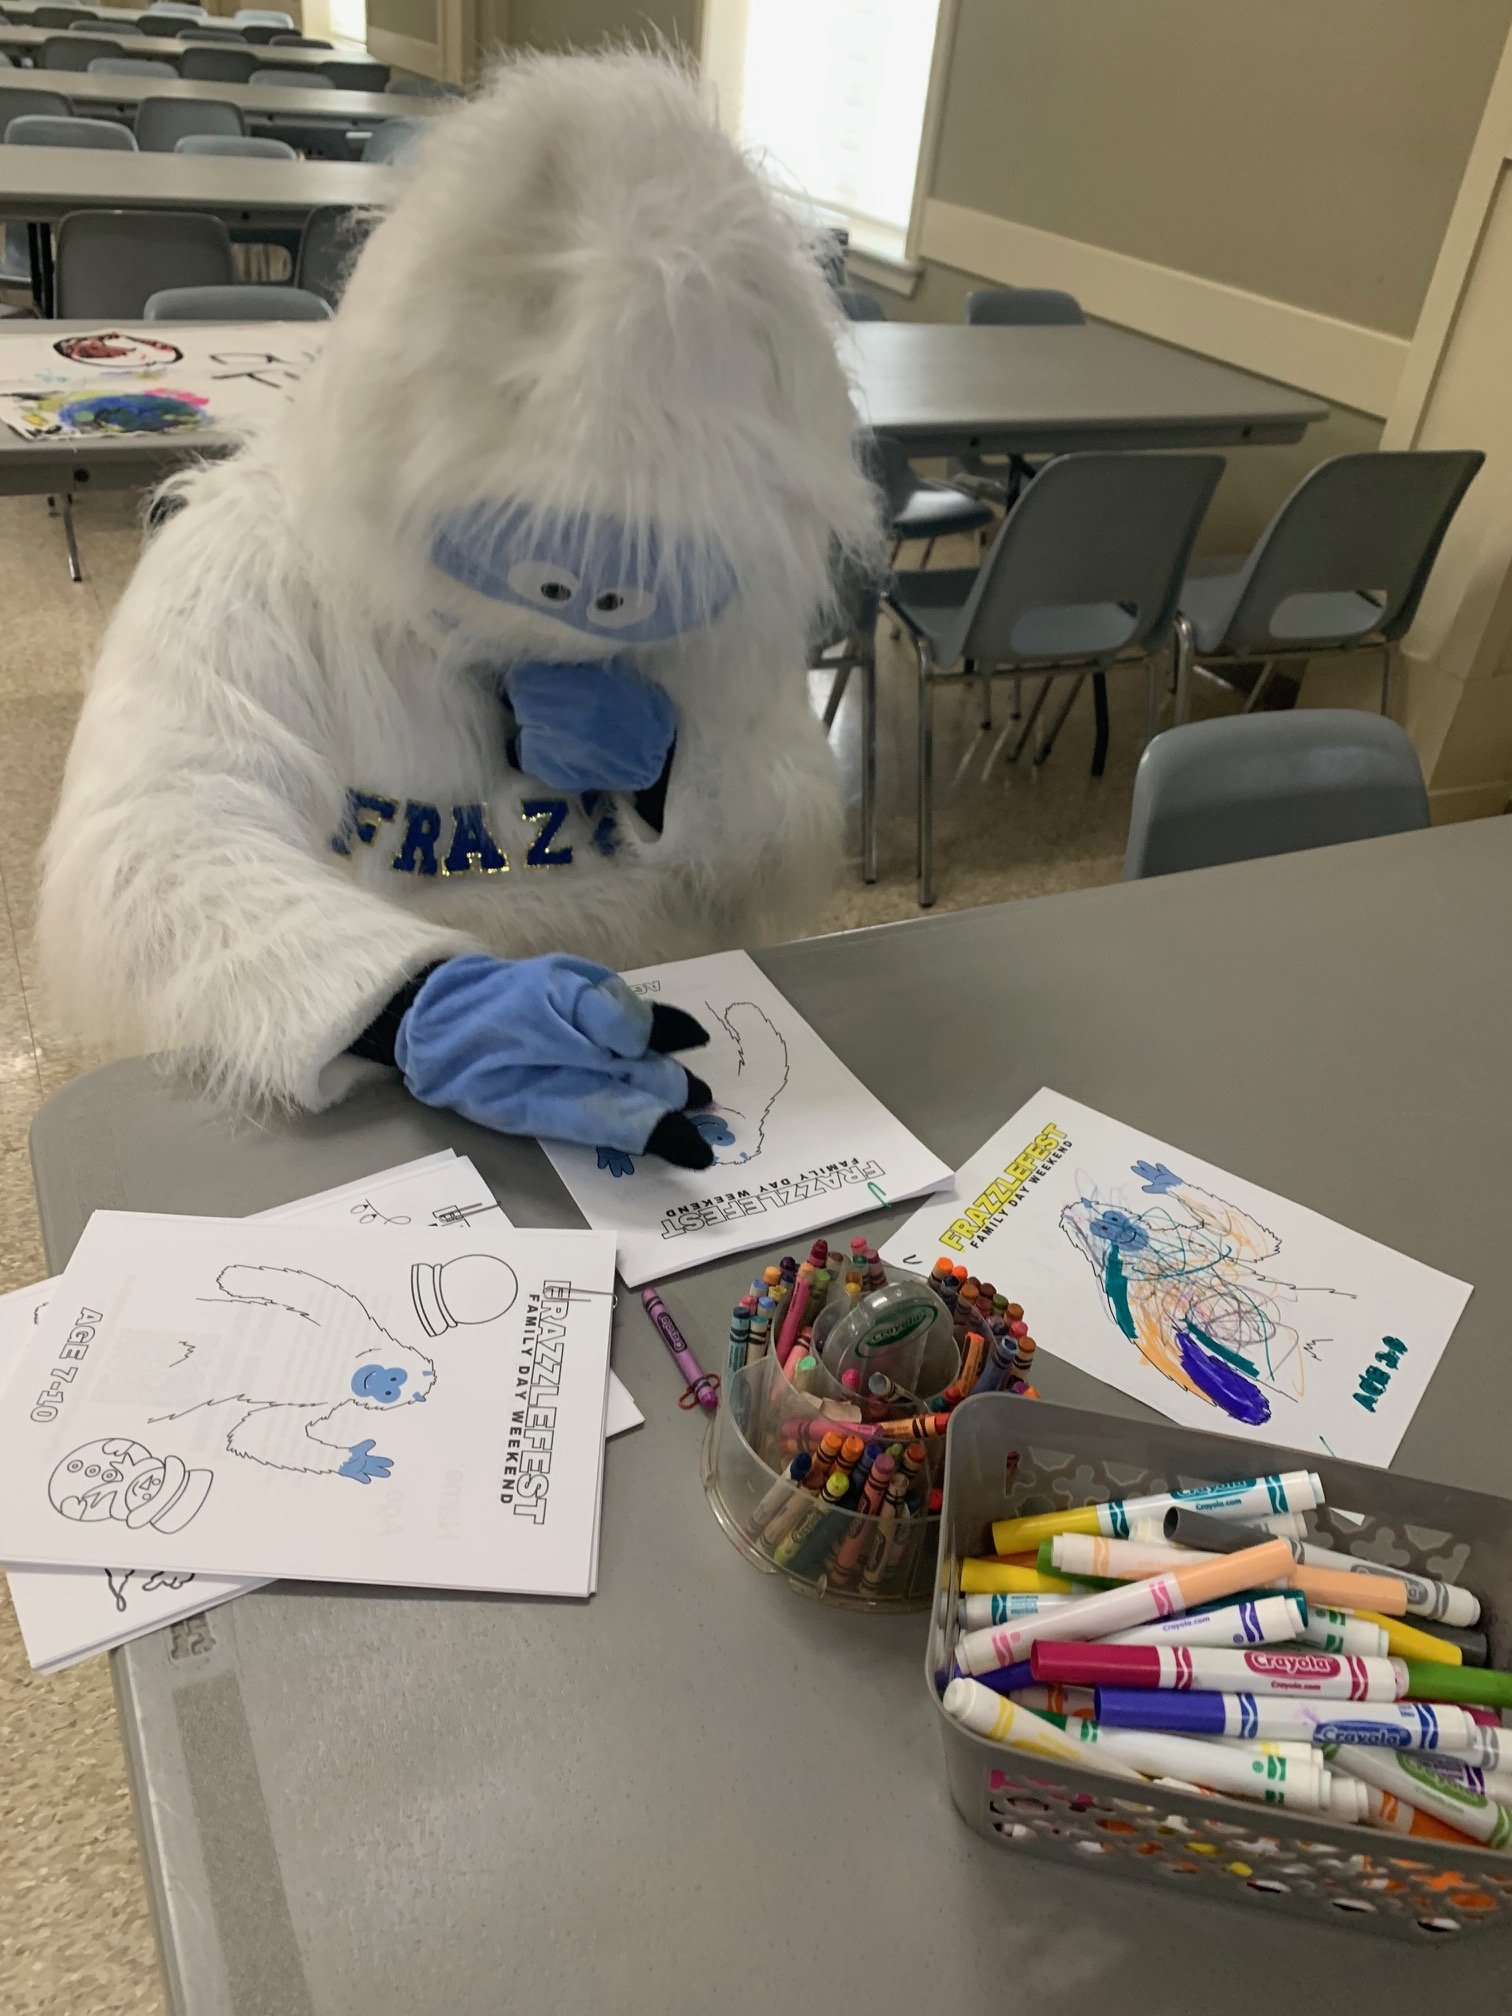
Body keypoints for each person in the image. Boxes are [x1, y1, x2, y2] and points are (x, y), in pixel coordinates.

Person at [40, 52, 877, 1170]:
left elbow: (783, 829)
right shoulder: (257, 552)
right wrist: (407, 1003)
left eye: (632, 565)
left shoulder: (721, 591)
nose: (583, 598)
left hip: (657, 1050)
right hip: (382, 1091)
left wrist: (672, 773)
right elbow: (145, 850)